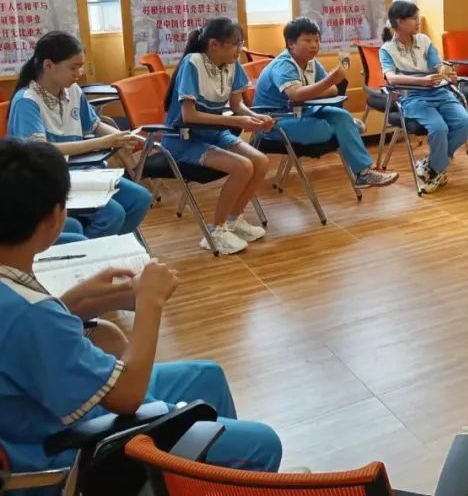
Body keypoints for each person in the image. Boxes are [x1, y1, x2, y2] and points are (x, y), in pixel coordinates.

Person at [0, 139, 282, 481]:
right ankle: (207, 479)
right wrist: (150, 302)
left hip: (50, 410)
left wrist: (73, 303)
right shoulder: (31, 314)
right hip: (71, 452)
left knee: (208, 375)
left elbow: (24, 335)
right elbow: (127, 396)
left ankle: (202, 482)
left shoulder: (17, 298)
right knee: (263, 443)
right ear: (55, 218)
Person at [7, 32, 153, 240]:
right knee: (112, 214)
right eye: (73, 68)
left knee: (140, 199)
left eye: (81, 67)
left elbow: (95, 125)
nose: (79, 74)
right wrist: (103, 142)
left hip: (80, 171)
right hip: (48, 180)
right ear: (48, 65)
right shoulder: (27, 101)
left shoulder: (72, 90)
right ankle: (92, 255)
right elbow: (40, 151)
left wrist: (122, 137)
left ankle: (111, 250)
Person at [163, 19, 274, 254]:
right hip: (183, 140)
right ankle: (216, 230)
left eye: (241, 44)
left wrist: (255, 117)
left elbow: (237, 105)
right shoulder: (193, 63)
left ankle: (234, 220)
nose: (239, 50)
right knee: (243, 167)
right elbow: (189, 115)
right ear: (214, 44)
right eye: (235, 44)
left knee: (261, 162)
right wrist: (237, 121)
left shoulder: (232, 63)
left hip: (213, 134)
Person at [253, 17, 398, 191]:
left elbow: (333, 90)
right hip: (274, 122)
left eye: (316, 40)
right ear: (291, 43)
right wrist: (326, 82)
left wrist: (317, 88)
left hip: (303, 111)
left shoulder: (311, 62)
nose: (314, 45)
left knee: (342, 116)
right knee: (327, 129)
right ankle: (348, 129)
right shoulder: (283, 65)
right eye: (307, 40)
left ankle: (364, 174)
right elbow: (296, 94)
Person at [379, 1, 468, 193]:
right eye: (414, 18)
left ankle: (431, 165)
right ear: (400, 22)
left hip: (439, 92)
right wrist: (421, 81)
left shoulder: (424, 41)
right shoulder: (387, 50)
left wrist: (447, 73)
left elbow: (438, 66)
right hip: (412, 97)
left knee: (465, 124)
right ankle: (436, 171)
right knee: (439, 128)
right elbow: (391, 78)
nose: (418, 22)